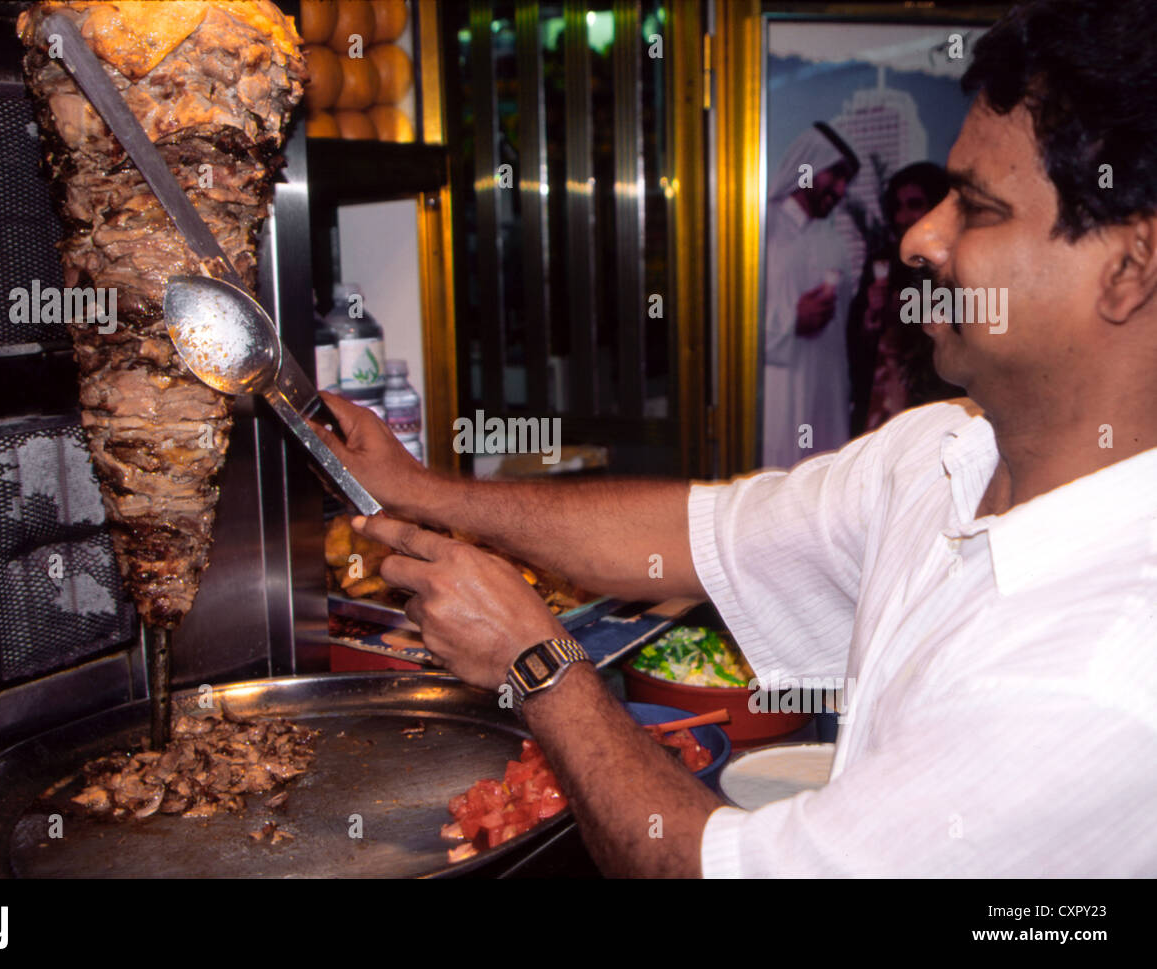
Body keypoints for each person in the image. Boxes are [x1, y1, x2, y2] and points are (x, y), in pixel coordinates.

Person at [312, 0, 1157, 876]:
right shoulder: (942, 454)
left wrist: (540, 665)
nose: (919, 236)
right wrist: (424, 489)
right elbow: (688, 534)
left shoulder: (1095, 673)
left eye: (977, 209)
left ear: (1129, 267)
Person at [762, 122, 860, 468]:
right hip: (777, 389)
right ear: (808, 167)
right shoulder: (763, 228)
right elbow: (728, 320)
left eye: (846, 180)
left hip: (826, 387)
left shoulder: (832, 241)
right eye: (834, 175)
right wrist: (792, 321)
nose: (840, 188)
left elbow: (847, 326)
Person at [847, 161, 961, 435]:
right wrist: (872, 317)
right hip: (881, 400)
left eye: (914, 204)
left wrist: (912, 310)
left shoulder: (956, 260)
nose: (903, 216)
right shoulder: (883, 261)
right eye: (897, 207)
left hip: (936, 399)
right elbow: (857, 339)